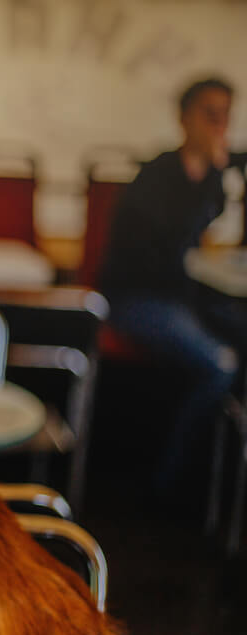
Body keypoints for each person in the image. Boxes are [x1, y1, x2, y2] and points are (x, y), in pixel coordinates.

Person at [99, 77, 247, 498]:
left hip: (184, 296)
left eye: (225, 117)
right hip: (136, 298)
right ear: (185, 119)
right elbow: (167, 251)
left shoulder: (215, 177)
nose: (219, 126)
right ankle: (172, 483)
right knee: (220, 363)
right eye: (210, 115)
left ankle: (226, 483)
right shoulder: (158, 176)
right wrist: (214, 179)